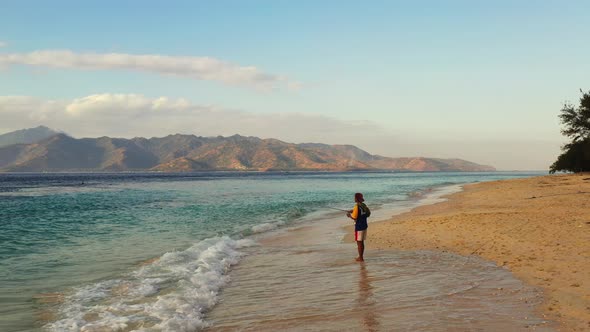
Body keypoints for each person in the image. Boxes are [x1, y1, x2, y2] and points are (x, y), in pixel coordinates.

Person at [347, 192, 370, 262]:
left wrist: (349, 215)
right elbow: (367, 214)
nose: (354, 198)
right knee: (361, 242)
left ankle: (361, 258)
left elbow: (354, 217)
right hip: (364, 225)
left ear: (356, 199)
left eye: (354, 197)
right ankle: (361, 256)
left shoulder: (357, 206)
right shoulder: (363, 205)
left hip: (359, 226)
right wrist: (353, 211)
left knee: (359, 242)